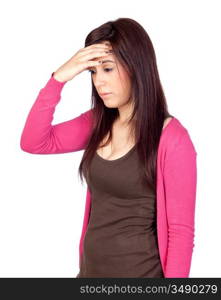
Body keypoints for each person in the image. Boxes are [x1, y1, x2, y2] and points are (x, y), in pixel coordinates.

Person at [20, 17, 197, 278]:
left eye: (108, 69)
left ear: (136, 66)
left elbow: (180, 233)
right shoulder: (97, 123)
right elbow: (34, 142)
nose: (98, 82)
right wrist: (60, 77)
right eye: (93, 72)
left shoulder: (172, 139)